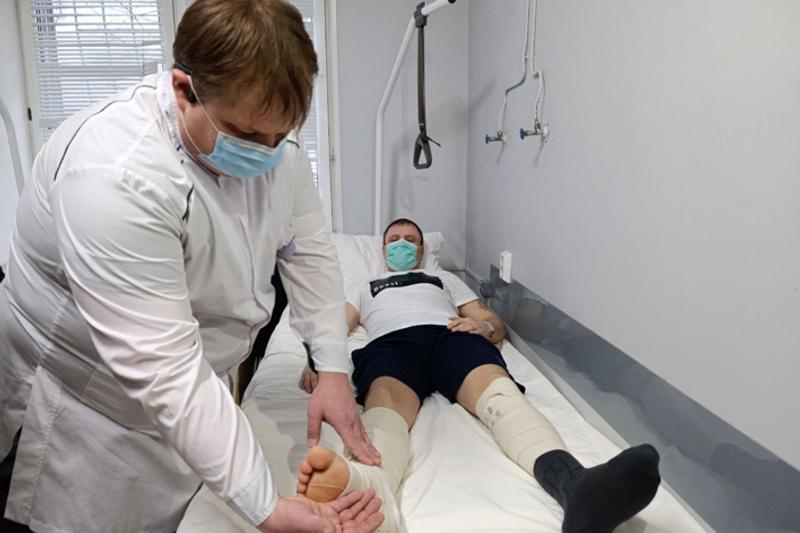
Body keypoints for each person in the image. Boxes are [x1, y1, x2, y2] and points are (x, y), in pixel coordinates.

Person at [0, 1, 383, 532]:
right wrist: (267, 508)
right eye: (250, 135)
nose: (269, 153)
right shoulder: (114, 177)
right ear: (184, 89)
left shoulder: (272, 140)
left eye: (283, 134)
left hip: (191, 402)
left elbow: (309, 253)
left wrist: (333, 368)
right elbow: (165, 369)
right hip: (87, 414)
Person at [297, 218, 662, 533]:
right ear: (382, 249)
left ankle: (575, 485)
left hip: (450, 334)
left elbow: (493, 323)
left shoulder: (441, 279)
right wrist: (318, 362)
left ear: (422, 251)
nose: (402, 245)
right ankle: (369, 492)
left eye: (410, 240)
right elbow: (337, 327)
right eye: (394, 240)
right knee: (385, 401)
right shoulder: (363, 286)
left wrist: (482, 327)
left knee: (498, 391)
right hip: (393, 344)